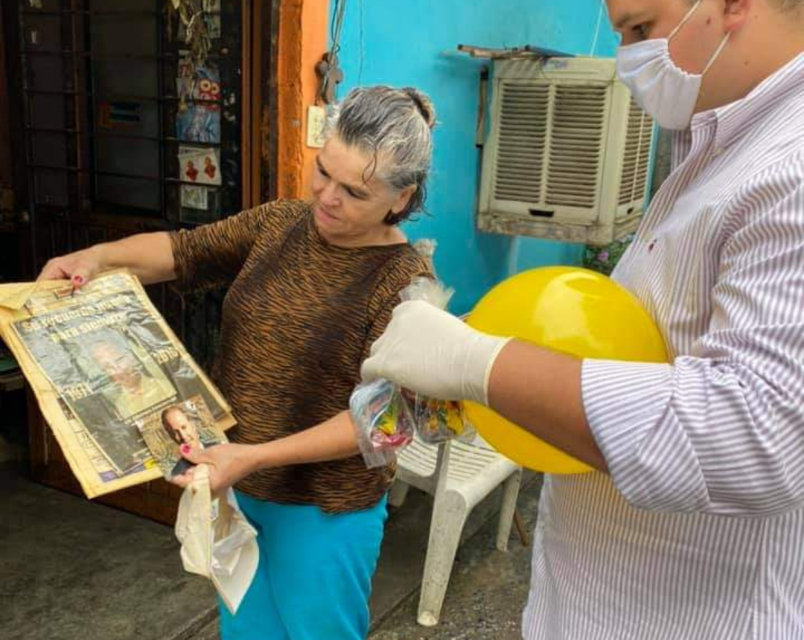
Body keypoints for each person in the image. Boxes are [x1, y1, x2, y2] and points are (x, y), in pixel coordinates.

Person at [362, 1, 804, 638]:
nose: (628, 62)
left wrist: (480, 364)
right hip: (607, 598)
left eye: (641, 29)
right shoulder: (720, 144)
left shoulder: (788, 169)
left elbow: (755, 433)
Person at [39, 85, 436, 640]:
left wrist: (254, 456)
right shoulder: (279, 224)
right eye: (323, 172)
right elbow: (184, 251)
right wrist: (96, 257)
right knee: (246, 630)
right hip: (238, 490)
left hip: (324, 511)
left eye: (354, 192)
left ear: (401, 198)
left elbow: (382, 421)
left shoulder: (404, 284)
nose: (326, 197)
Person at [89, 338, 174, 420]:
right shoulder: (120, 406)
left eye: (119, 360)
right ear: (104, 373)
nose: (118, 370)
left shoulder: (163, 385)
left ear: (130, 357)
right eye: (108, 367)